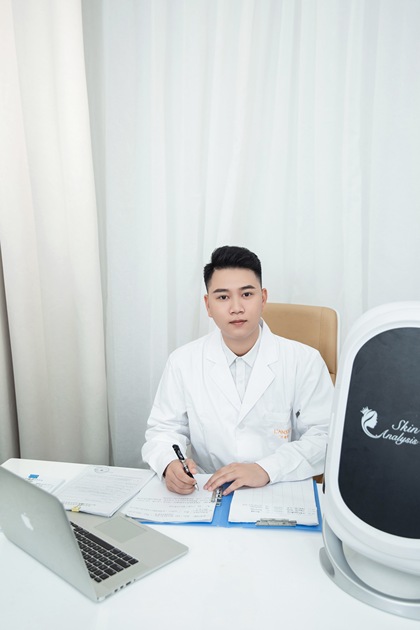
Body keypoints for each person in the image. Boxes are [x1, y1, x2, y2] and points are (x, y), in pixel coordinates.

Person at [141, 246, 334, 495]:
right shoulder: (183, 361)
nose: (236, 308)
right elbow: (164, 430)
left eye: (247, 294)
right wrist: (169, 464)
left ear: (263, 298)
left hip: (279, 488)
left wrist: (265, 469)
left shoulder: (304, 360)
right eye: (222, 297)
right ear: (208, 305)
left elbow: (325, 436)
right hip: (207, 490)